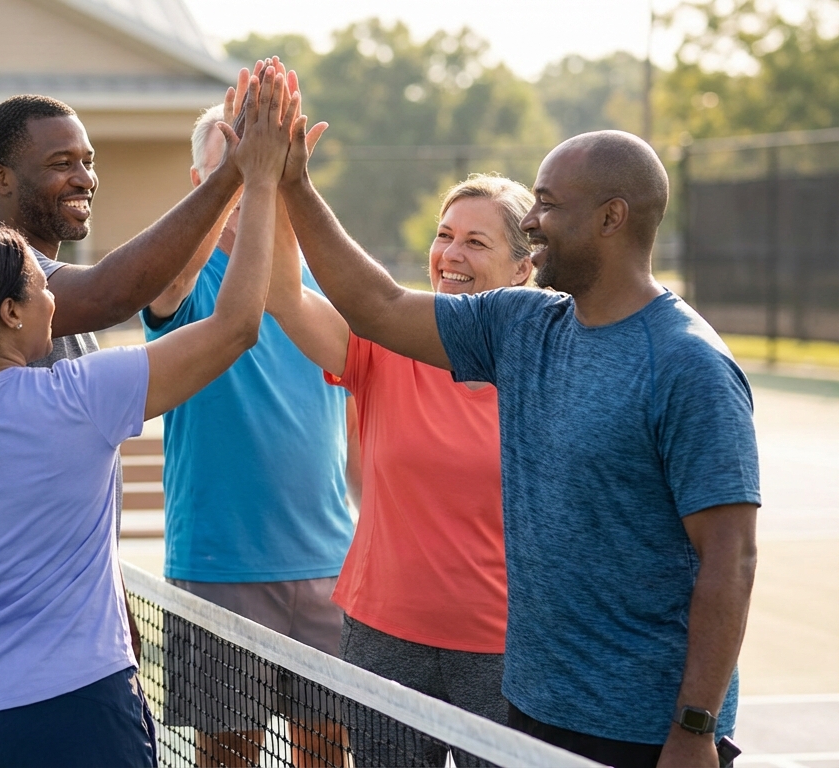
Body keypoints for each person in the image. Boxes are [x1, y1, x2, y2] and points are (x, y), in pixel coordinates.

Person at [0, 70, 296, 768]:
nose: (84, 175)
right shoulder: (76, 395)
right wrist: (249, 175)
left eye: (88, 160)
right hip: (69, 706)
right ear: (14, 310)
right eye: (62, 163)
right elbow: (203, 316)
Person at [278, 125, 760, 768]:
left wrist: (695, 728)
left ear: (611, 218)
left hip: (643, 730)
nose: (534, 221)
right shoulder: (523, 326)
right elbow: (381, 304)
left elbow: (731, 559)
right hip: (533, 711)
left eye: (550, 204)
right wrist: (295, 186)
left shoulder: (689, 365)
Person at [267, 173, 534, 766]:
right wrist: (274, 185)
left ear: (523, 267)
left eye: (476, 242)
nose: (451, 254)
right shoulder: (386, 343)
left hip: (503, 649)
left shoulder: (545, 367)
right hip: (382, 638)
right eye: (444, 235)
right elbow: (283, 292)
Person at [142, 98, 355, 768]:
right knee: (225, 755)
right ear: (200, 183)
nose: (242, 188)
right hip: (219, 567)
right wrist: (238, 176)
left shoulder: (320, 283)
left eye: (255, 167)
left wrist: (280, 181)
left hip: (328, 567)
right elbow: (168, 285)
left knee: (325, 752)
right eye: (223, 174)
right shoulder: (182, 277)